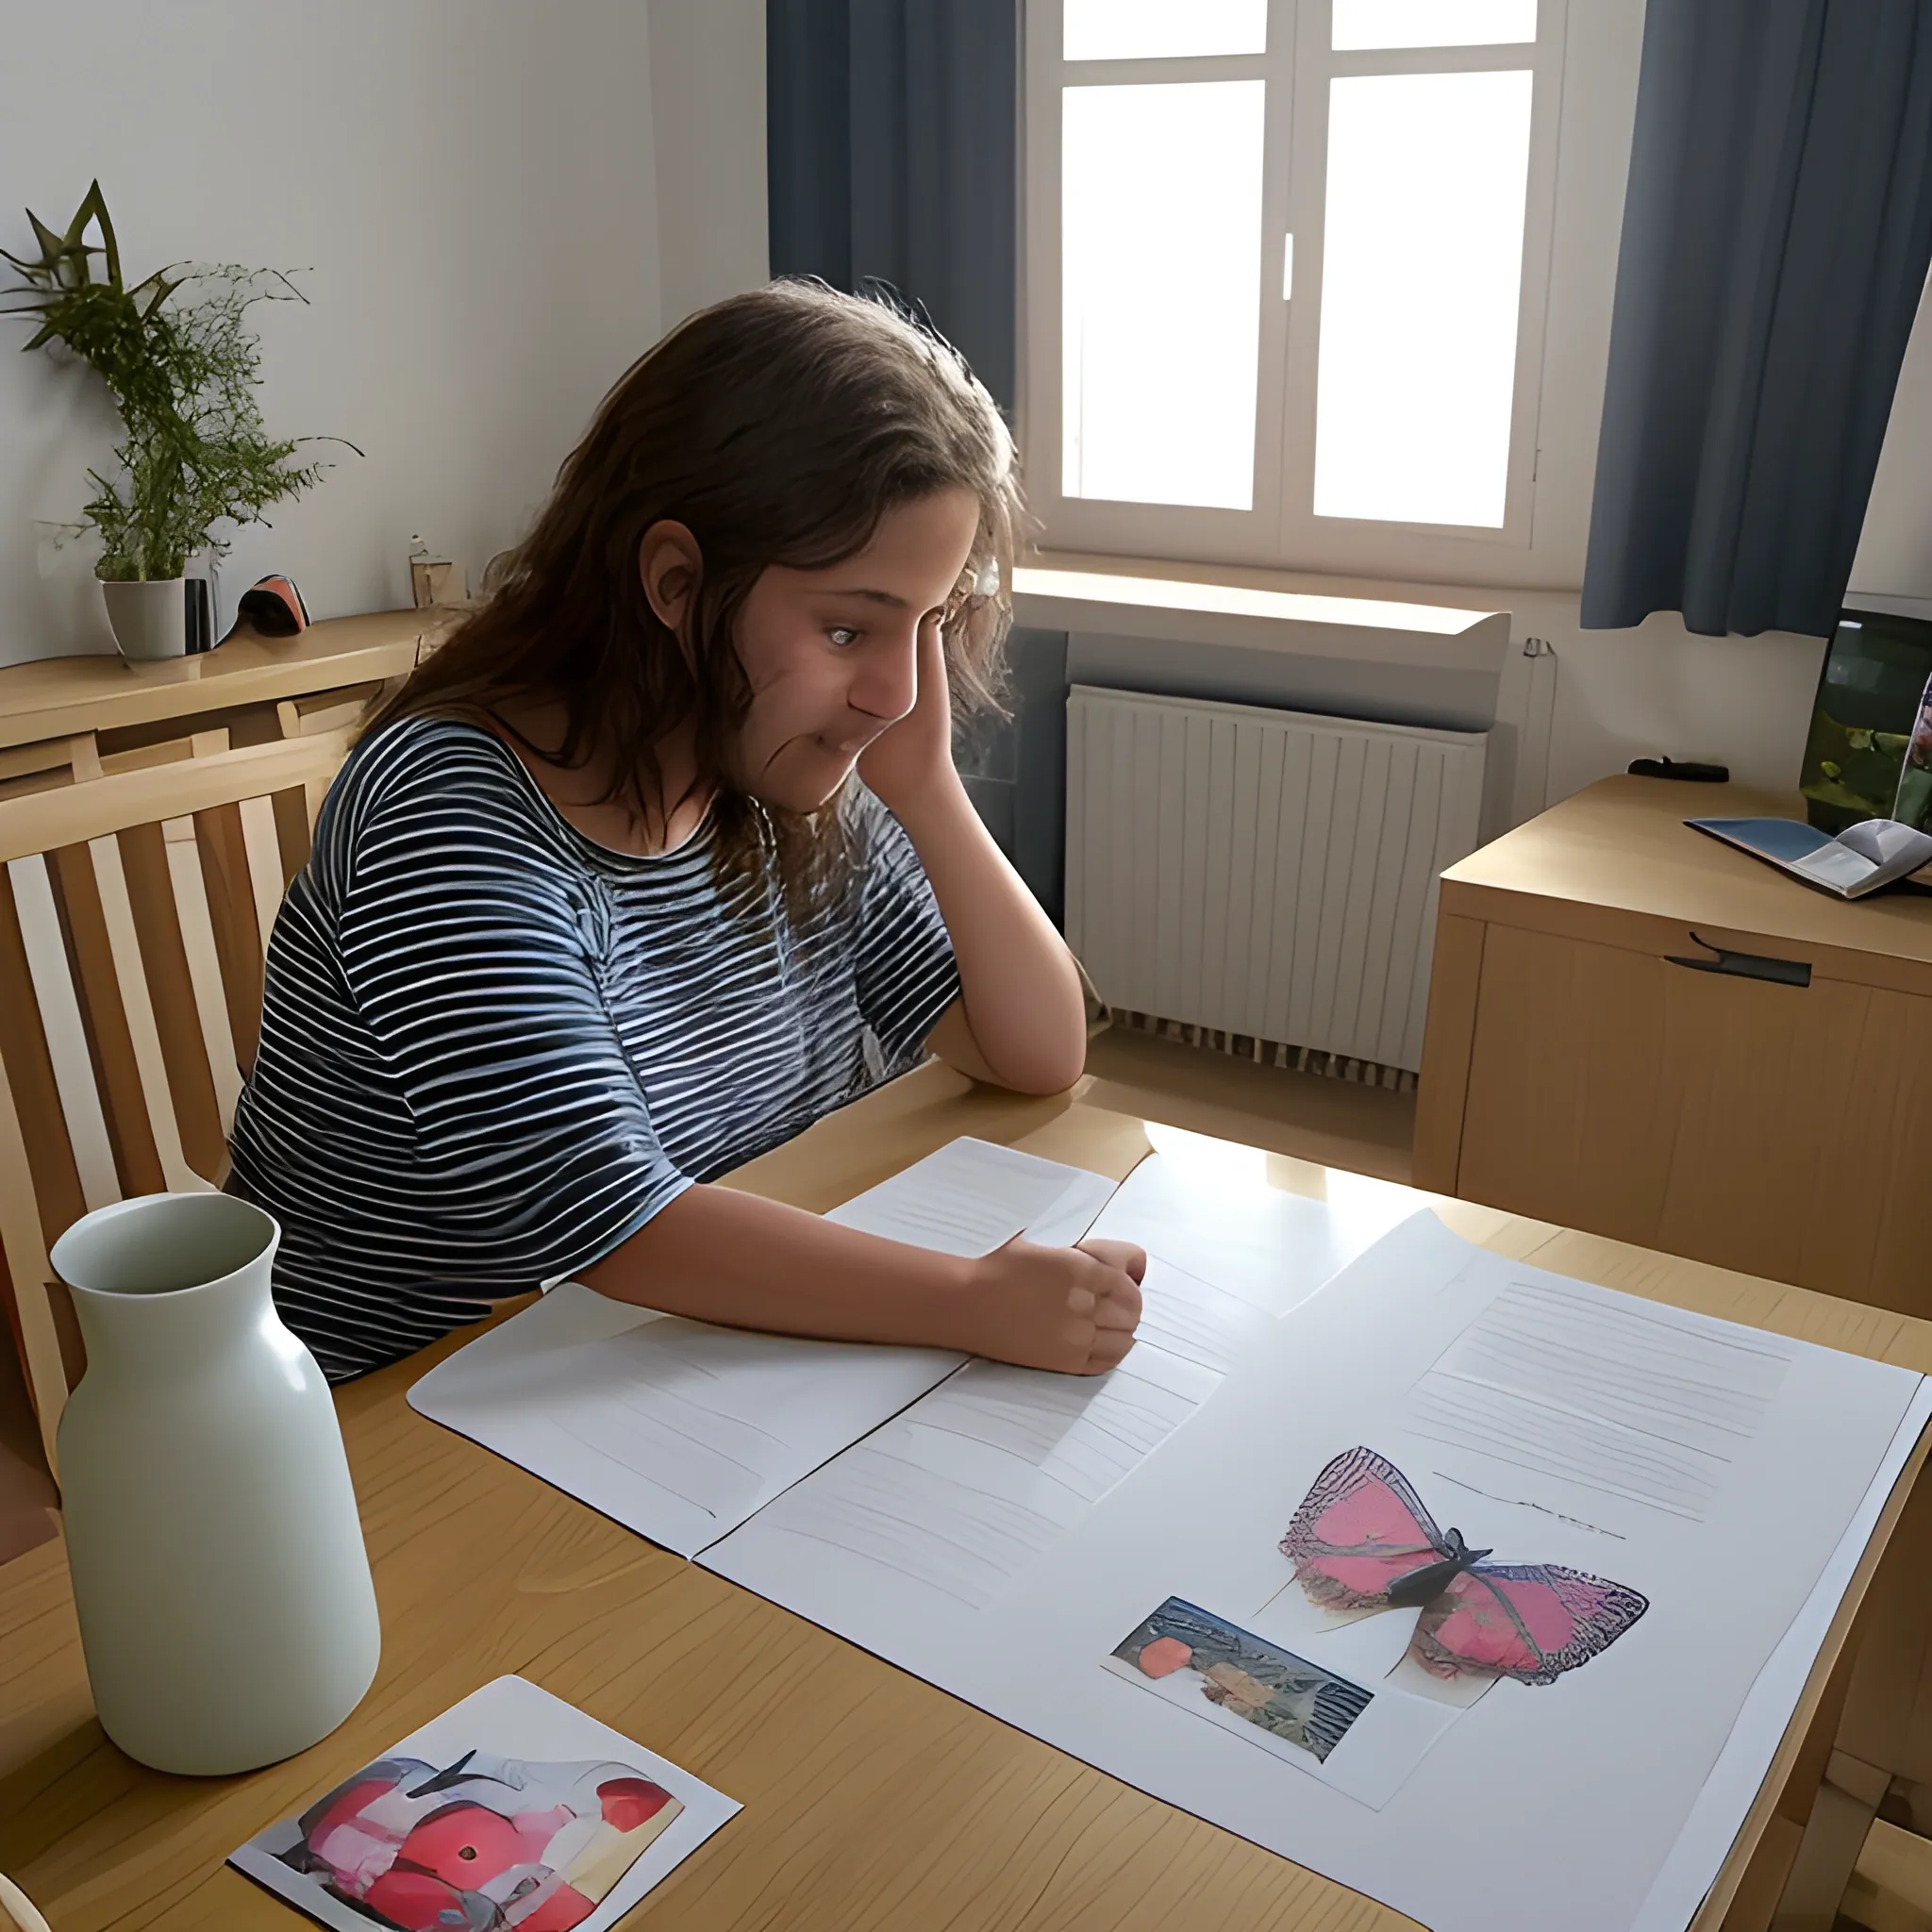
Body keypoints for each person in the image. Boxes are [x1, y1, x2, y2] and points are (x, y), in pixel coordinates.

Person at [227, 281, 1145, 1383]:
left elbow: (1036, 1054)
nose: (897, 690)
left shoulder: (768, 772)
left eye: (930, 625)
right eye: (849, 625)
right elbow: (614, 1221)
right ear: (674, 580)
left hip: (656, 1362)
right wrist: (969, 1300)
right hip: (398, 1405)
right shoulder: (447, 808)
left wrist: (930, 790)